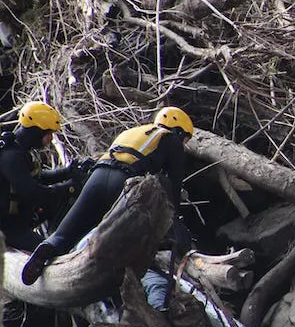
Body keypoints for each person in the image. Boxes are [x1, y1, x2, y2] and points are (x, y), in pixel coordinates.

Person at [22, 106, 194, 286]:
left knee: (64, 234)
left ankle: (48, 248)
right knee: (125, 242)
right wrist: (175, 227)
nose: (183, 145)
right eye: (185, 139)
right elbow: (174, 187)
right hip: (124, 182)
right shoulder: (171, 140)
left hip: (97, 177)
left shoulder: (134, 132)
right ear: (178, 130)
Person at [0, 101, 85, 251]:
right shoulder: (11, 156)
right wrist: (67, 188)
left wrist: (67, 172)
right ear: (35, 132)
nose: (51, 138)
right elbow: (34, 192)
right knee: (51, 253)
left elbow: (37, 176)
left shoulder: (20, 149)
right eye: (48, 133)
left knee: (59, 201)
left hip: (20, 219)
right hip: (8, 229)